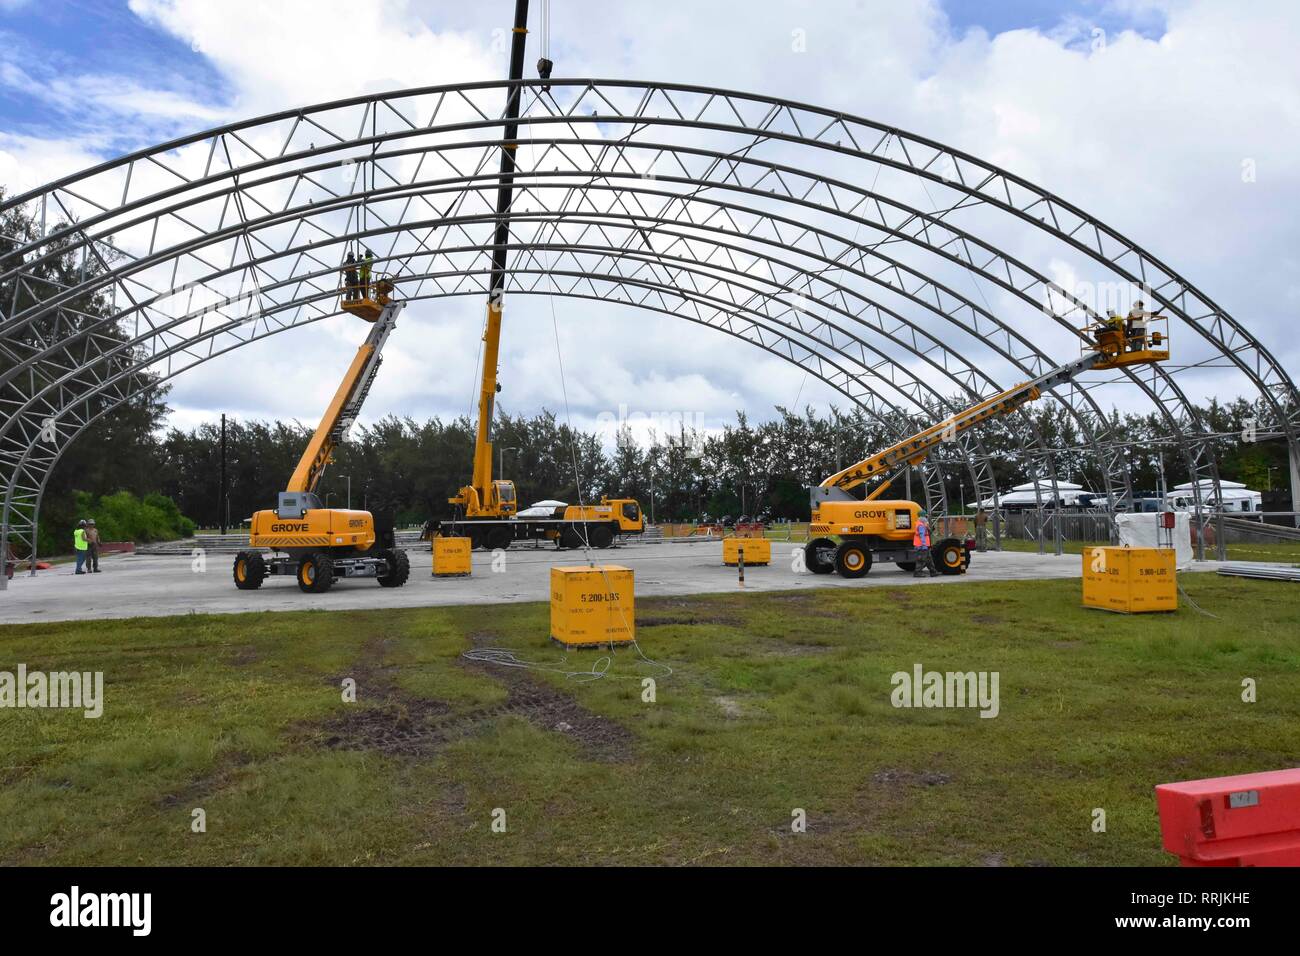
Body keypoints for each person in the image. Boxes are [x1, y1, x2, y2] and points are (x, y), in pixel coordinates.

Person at [912, 509, 932, 577]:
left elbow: (927, 533)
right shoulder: (921, 525)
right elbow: (922, 535)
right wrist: (924, 545)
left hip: (925, 545)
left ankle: (933, 571)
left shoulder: (923, 524)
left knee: (929, 558)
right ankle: (917, 573)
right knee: (921, 559)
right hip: (921, 545)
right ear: (923, 517)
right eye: (925, 517)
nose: (926, 518)